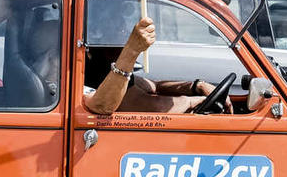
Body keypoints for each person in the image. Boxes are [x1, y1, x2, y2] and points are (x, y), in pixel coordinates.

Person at [85, 17, 216, 115]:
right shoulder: (97, 72)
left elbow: (154, 86)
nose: (125, 33)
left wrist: (196, 86)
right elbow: (153, 106)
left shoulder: (107, 66)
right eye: (119, 29)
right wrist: (190, 102)